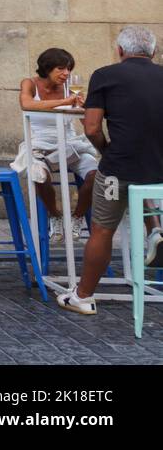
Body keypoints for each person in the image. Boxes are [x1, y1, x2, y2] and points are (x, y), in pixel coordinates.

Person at [58, 27, 163, 315]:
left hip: (119, 169)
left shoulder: (105, 75)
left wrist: (107, 151)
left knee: (102, 230)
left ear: (119, 51)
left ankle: (82, 296)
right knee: (140, 185)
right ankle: (155, 229)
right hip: (157, 171)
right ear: (153, 53)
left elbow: (91, 128)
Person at [10, 48, 97, 238]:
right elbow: (26, 104)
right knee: (39, 175)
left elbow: (85, 121)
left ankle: (77, 217)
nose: (66, 73)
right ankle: (55, 215)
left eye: (68, 69)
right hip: (40, 145)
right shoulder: (30, 83)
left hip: (70, 144)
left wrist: (83, 109)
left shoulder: (71, 87)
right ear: (47, 68)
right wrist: (66, 101)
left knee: (96, 174)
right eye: (60, 68)